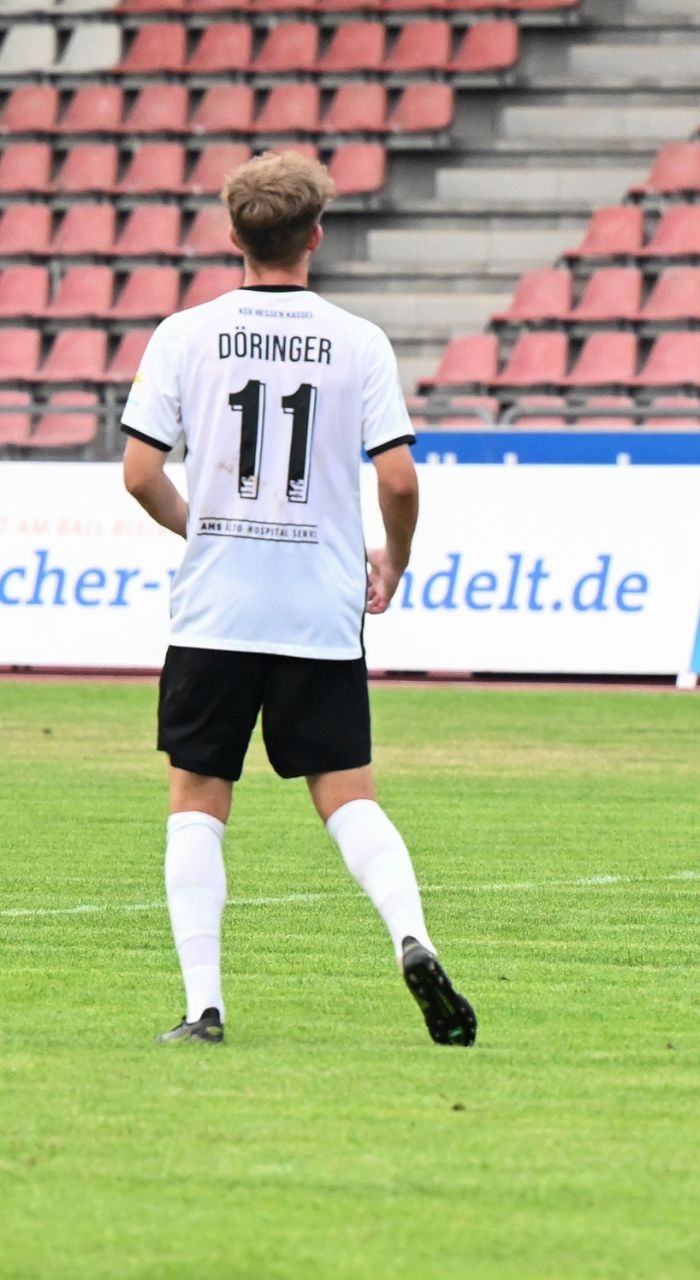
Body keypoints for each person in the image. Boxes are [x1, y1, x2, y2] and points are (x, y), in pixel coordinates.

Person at [119, 151, 475, 1047]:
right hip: (319, 606)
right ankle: (412, 937)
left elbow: (137, 473)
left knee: (198, 795)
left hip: (217, 608)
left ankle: (204, 1007)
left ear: (231, 235)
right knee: (347, 793)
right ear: (316, 236)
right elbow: (397, 478)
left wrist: (200, 527)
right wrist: (394, 557)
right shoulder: (356, 340)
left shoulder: (183, 334)